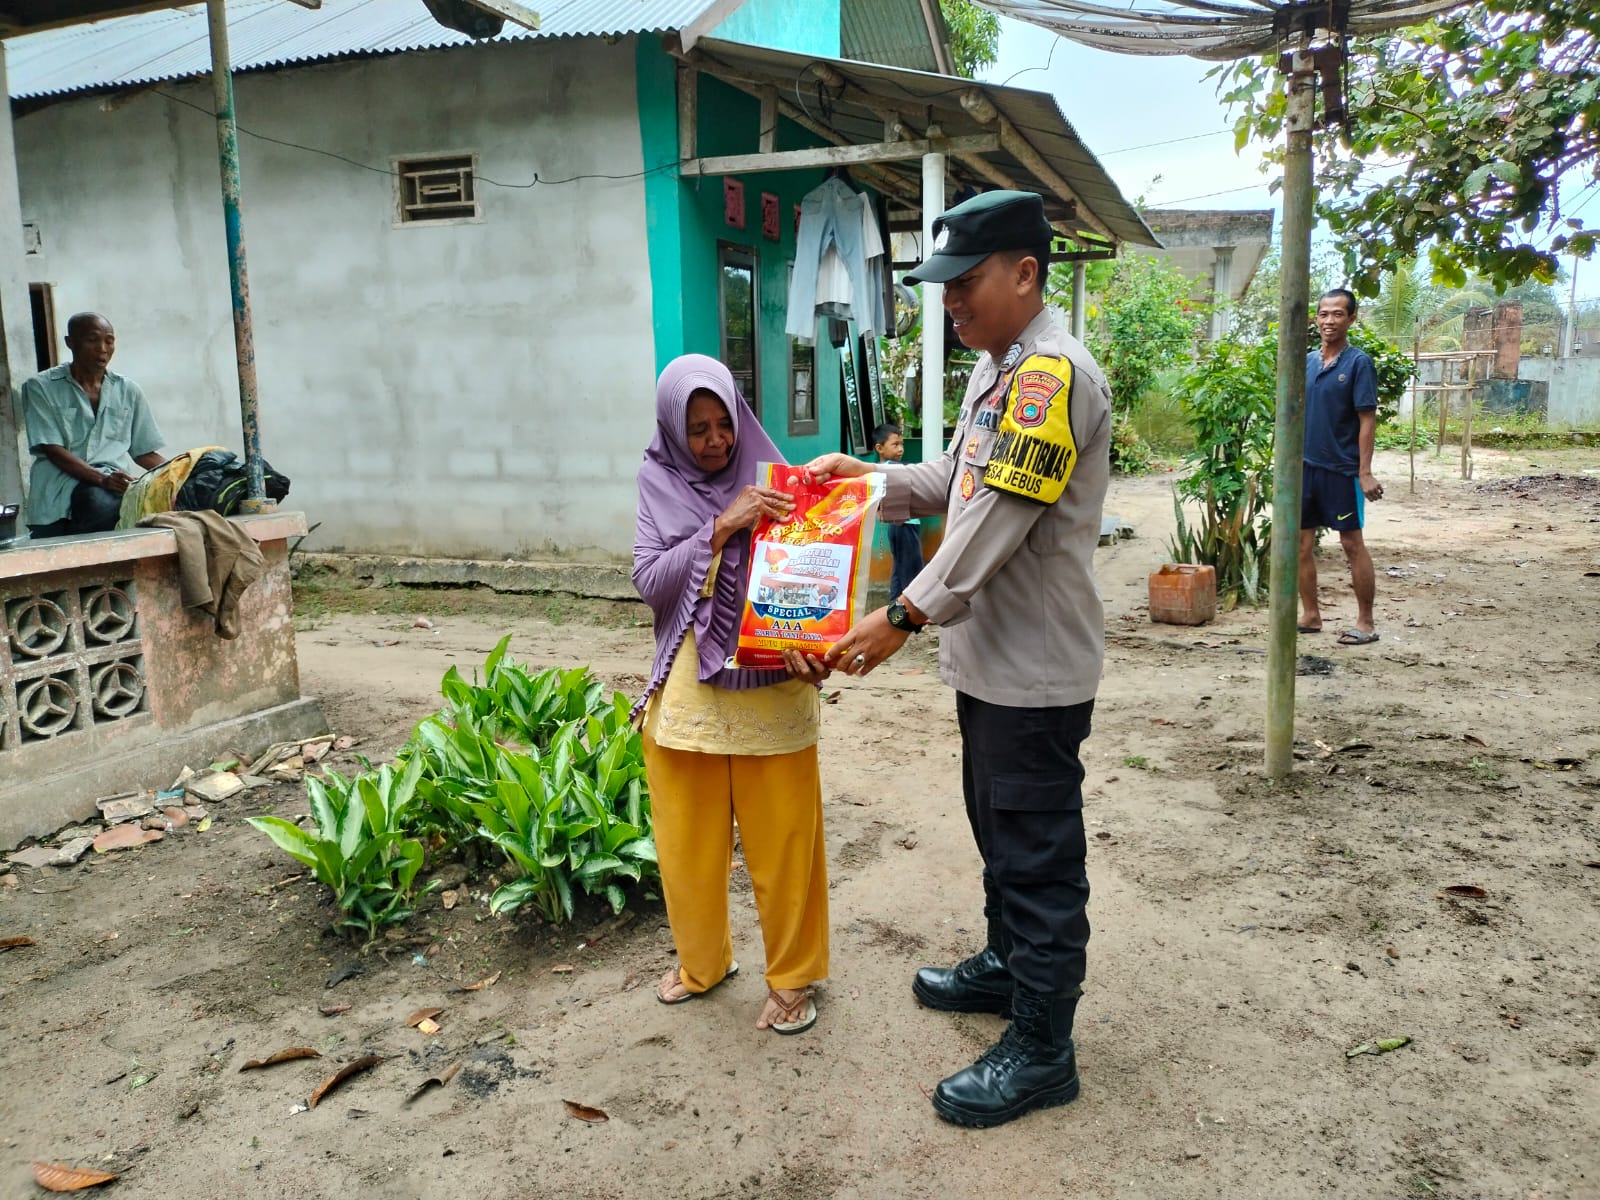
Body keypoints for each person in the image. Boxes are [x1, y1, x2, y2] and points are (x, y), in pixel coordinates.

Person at [802, 190, 1111, 1128]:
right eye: (944, 288)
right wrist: (872, 480)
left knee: (1037, 854)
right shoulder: (1000, 371)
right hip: (991, 663)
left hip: (1034, 668)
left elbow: (997, 521)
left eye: (965, 283)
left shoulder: (1053, 376)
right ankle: (1008, 966)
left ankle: (1043, 1049)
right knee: (998, 829)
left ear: (1025, 273)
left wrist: (901, 613)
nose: (951, 303)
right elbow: (957, 481)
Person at [633, 353, 833, 1036]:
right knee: (687, 842)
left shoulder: (781, 482)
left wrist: (822, 639)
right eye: (699, 429)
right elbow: (650, 581)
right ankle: (702, 964)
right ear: (672, 429)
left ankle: (794, 976)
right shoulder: (656, 481)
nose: (716, 440)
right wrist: (722, 527)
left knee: (785, 844)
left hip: (770, 689)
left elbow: (814, 581)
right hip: (688, 694)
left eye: (724, 423)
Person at [22, 313, 165, 538]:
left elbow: (145, 453)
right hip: (57, 499)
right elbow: (53, 450)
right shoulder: (40, 387)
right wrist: (102, 479)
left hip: (112, 492)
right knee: (96, 505)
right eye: (92, 340)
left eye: (109, 340)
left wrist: (180, 472)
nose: (102, 348)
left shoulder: (128, 390)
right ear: (70, 342)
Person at [1298, 288, 1383, 645]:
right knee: (1300, 544)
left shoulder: (1358, 363)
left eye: (1337, 314)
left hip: (1341, 470)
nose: (1329, 321)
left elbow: (1367, 420)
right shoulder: (1307, 361)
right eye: (1323, 314)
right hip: (1304, 468)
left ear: (1351, 319)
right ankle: (1311, 615)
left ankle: (1365, 622)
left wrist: (1364, 471)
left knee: (1352, 544)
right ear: (1315, 319)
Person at [872, 422, 924, 605]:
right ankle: (911, 611)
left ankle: (894, 606)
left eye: (902, 444)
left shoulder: (888, 468)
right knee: (912, 571)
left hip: (900, 526)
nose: (900, 449)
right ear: (879, 448)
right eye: (895, 445)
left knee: (900, 570)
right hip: (904, 526)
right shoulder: (892, 467)